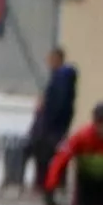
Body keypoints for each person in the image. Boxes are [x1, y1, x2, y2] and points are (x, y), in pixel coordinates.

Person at [25, 47, 80, 185]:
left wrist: (46, 113)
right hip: (56, 126)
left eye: (50, 59)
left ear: (57, 59)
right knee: (51, 154)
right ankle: (51, 183)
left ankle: (47, 184)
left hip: (51, 128)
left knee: (46, 155)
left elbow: (57, 102)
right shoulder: (61, 78)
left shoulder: (60, 78)